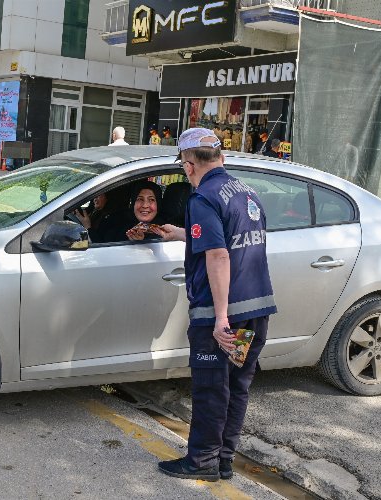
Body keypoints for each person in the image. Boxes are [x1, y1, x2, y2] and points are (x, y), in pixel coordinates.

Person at [153, 128, 277, 482]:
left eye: (183, 166)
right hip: (256, 310)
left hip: (221, 316)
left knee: (211, 388)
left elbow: (219, 255)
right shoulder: (245, 192)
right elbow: (230, 239)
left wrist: (220, 318)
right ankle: (223, 460)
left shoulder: (203, 197)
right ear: (220, 158)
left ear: (189, 165)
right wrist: (181, 232)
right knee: (236, 387)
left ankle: (201, 461)